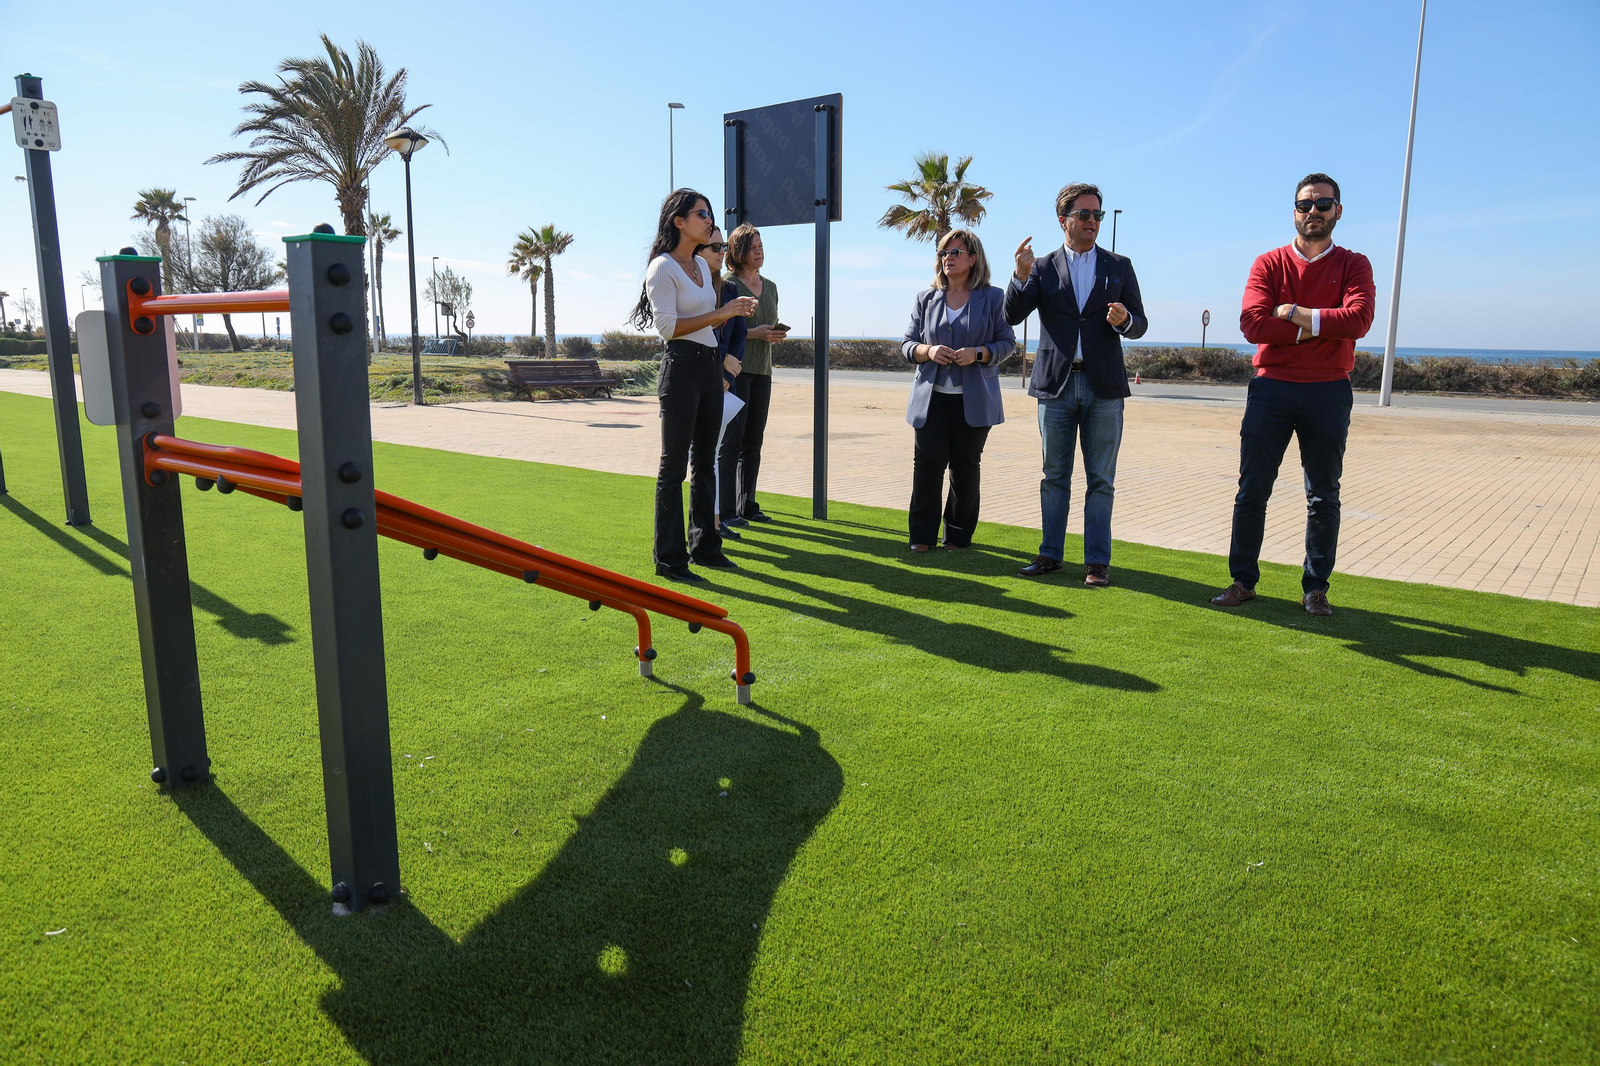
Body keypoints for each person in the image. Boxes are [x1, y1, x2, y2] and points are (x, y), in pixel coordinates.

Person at [1211, 172, 1375, 616]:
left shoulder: (1354, 265)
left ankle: (1315, 588)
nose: (1313, 212)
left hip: (1329, 390)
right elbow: (1252, 324)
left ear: (1338, 211)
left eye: (1323, 204)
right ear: (1295, 212)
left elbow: (1358, 320)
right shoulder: (1269, 264)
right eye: (1305, 205)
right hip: (1272, 389)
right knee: (1252, 490)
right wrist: (1319, 326)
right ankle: (1243, 581)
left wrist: (1294, 313)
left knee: (1323, 495)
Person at [1005, 182, 1147, 587]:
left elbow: (1140, 324)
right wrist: (1020, 276)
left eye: (1097, 214)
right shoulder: (1043, 267)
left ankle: (1097, 563)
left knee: (1101, 480)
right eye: (1084, 214)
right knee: (1054, 477)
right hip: (1056, 386)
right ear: (1063, 220)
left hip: (1105, 388)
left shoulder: (1119, 266)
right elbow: (1012, 316)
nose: (1092, 221)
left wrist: (1126, 321)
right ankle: (1050, 555)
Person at [628, 190, 758, 583]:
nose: (709, 220)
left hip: (708, 366)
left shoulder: (701, 265)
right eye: (701, 214)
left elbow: (707, 319)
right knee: (673, 467)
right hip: (681, 367)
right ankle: (670, 559)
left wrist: (731, 313)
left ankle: (705, 547)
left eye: (709, 213)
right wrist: (721, 313)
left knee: (705, 462)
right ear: (679, 221)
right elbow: (668, 328)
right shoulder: (662, 267)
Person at [901, 229, 1014, 552]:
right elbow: (907, 344)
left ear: (973, 258)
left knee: (965, 469)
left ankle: (957, 536)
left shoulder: (994, 298)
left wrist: (978, 353)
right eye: (943, 253)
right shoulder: (925, 298)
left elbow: (1007, 343)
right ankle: (921, 537)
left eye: (955, 252)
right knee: (927, 467)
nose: (947, 258)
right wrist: (928, 351)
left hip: (975, 400)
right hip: (931, 399)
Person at [717, 224, 786, 527]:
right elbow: (724, 329)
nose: (759, 251)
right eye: (753, 247)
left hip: (763, 371)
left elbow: (767, 322)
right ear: (738, 251)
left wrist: (773, 333)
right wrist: (756, 333)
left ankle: (747, 505)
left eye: (761, 246)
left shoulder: (770, 287)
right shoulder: (727, 285)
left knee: (754, 441)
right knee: (732, 441)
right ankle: (726, 511)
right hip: (737, 371)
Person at [698, 228, 747, 540]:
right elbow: (688, 333)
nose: (721, 252)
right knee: (698, 458)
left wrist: (727, 376)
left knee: (712, 453)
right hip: (695, 379)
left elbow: (738, 335)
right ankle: (705, 524)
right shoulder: (690, 287)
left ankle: (714, 522)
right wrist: (720, 361)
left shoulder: (729, 289)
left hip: (722, 386)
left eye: (722, 246)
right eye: (714, 246)